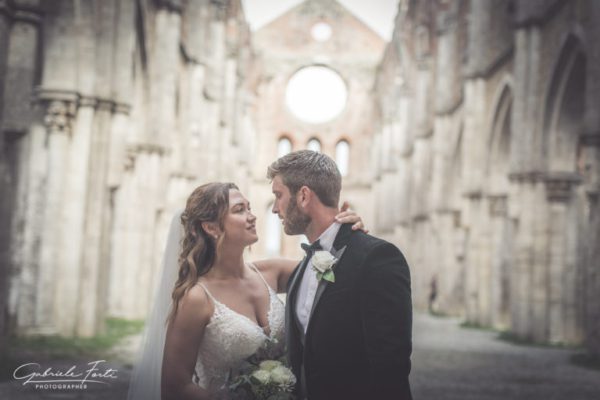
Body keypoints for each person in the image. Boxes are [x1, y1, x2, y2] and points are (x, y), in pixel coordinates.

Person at [127, 182, 365, 400]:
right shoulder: (196, 298)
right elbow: (174, 387)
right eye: (240, 210)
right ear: (211, 227)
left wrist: (348, 234)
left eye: (249, 208)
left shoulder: (272, 272)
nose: (252, 217)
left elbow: (339, 275)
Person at [267, 150, 413, 400]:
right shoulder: (303, 267)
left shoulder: (377, 258)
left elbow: (391, 367)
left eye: (278, 196)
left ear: (303, 196)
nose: (273, 209)